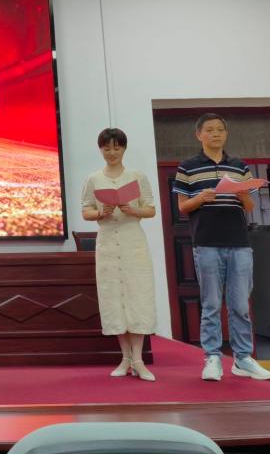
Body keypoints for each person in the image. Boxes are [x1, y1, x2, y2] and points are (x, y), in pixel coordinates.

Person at [174, 113, 270, 382]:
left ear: (226, 134)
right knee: (211, 304)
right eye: (209, 130)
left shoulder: (239, 166)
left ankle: (243, 359)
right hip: (206, 242)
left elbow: (250, 207)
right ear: (199, 135)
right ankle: (212, 357)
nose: (215, 134)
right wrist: (200, 198)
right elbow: (183, 207)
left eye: (220, 129)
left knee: (240, 304)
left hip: (239, 242)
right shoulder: (187, 167)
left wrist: (241, 194)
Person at [80, 128, 157, 381]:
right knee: (114, 297)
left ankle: (139, 360)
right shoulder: (93, 179)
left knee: (137, 296)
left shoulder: (136, 176)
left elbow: (150, 209)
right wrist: (100, 213)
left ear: (124, 148)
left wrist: (133, 210)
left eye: (116, 148)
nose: (112, 153)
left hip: (133, 241)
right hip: (107, 244)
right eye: (107, 148)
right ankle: (125, 358)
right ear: (100, 150)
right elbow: (86, 211)